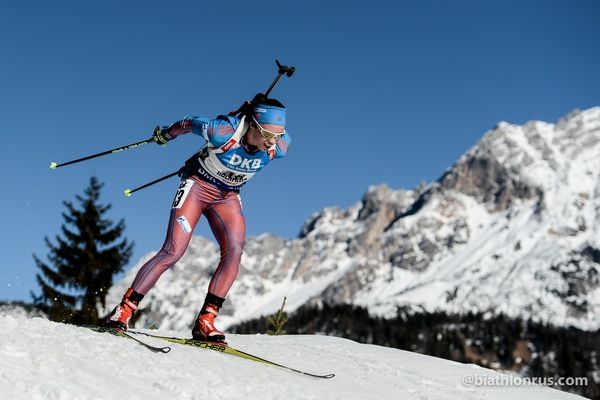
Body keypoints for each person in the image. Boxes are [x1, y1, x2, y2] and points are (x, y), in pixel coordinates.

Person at [105, 95, 291, 343]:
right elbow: (188, 122)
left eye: (277, 135)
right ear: (253, 125)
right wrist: (166, 135)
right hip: (197, 188)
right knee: (173, 250)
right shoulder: (223, 131)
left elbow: (279, 140)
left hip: (227, 198)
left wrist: (274, 138)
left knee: (234, 252)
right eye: (267, 134)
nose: (272, 141)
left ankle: (206, 321)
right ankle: (124, 310)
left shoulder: (278, 147)